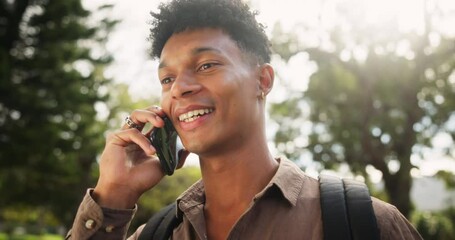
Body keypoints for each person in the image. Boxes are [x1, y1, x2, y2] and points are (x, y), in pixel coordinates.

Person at [66, 0, 423, 239]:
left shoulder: (368, 224)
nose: (179, 89)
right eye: (167, 79)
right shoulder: (156, 235)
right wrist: (113, 195)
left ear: (262, 81)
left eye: (206, 65)